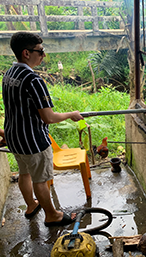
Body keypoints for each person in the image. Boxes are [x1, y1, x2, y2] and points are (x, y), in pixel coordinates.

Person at [2, 32, 84, 227]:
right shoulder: (34, 80)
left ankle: (31, 206)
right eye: (40, 51)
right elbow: (49, 117)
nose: (43, 55)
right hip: (33, 140)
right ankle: (52, 215)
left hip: (14, 137)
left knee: (24, 173)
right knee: (41, 179)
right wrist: (71, 114)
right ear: (26, 53)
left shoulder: (8, 74)